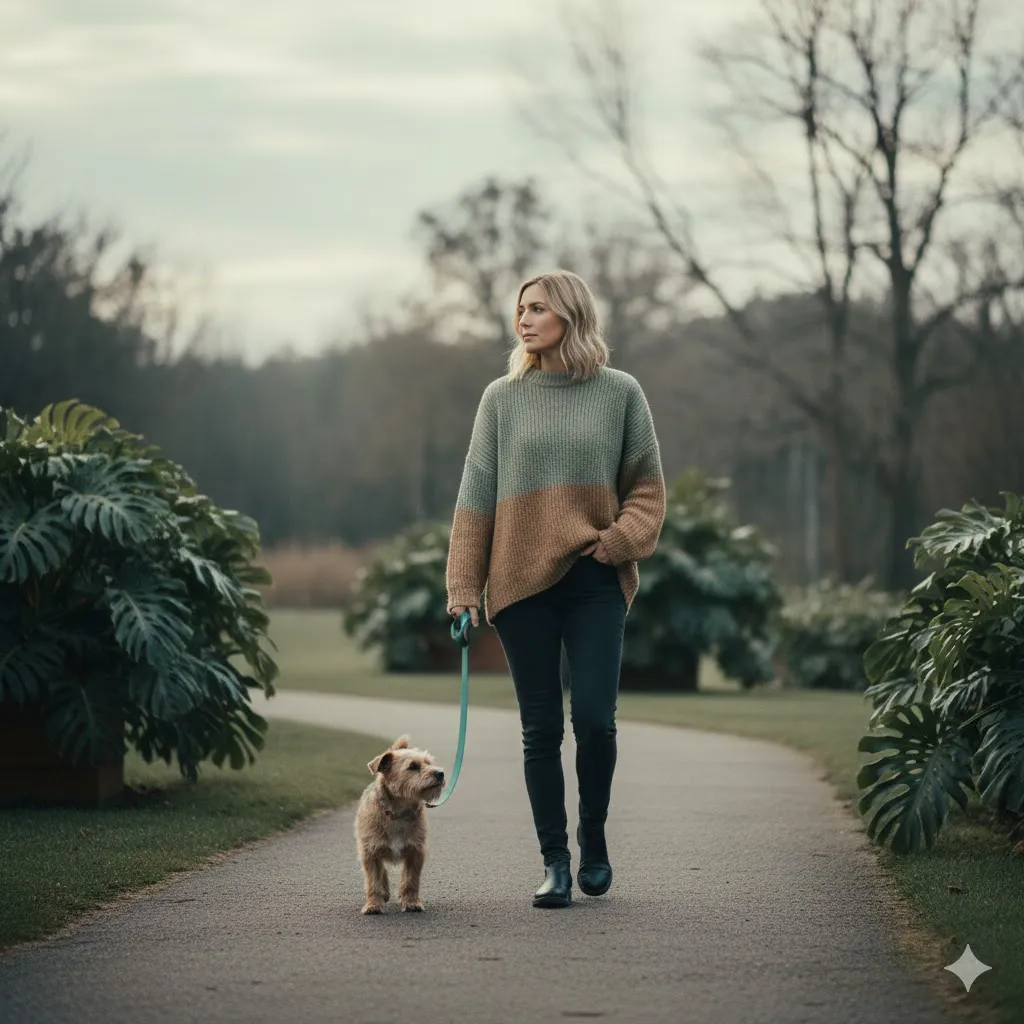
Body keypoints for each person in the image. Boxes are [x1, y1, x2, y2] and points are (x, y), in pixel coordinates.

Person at [446, 269, 667, 908]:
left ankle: (592, 836)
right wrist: (463, 586)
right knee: (541, 729)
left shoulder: (620, 393)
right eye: (521, 309)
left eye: (538, 307)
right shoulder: (501, 398)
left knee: (595, 721)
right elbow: (475, 498)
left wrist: (619, 541)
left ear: (570, 314)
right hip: (519, 583)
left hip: (594, 578)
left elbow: (648, 489)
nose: (525, 319)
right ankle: (555, 863)